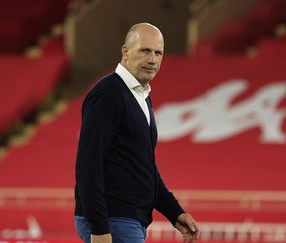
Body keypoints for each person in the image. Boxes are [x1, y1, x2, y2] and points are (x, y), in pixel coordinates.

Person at [74, 22, 200, 243]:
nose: (152, 59)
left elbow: (143, 167)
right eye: (145, 50)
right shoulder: (109, 94)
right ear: (125, 52)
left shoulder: (140, 96)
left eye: (158, 53)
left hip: (127, 220)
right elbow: (88, 163)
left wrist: (174, 212)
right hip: (113, 221)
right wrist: (100, 228)